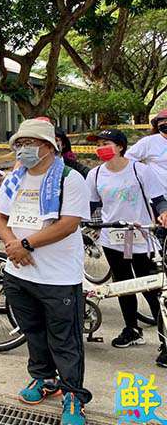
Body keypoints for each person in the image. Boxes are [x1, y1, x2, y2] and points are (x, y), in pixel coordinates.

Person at [0, 118, 92, 424]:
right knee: (33, 332)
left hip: (58, 277)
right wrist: (12, 245)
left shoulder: (69, 178)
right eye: (19, 144)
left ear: (49, 147)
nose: (22, 150)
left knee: (65, 338)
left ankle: (73, 394)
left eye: (29, 144)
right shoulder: (14, 177)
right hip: (19, 273)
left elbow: (69, 223)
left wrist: (26, 244)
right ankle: (44, 379)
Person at [85, 129, 167, 367]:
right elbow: (90, 205)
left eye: (106, 143)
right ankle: (131, 329)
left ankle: (165, 339)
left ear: (120, 146)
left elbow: (158, 199)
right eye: (98, 143)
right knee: (123, 286)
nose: (101, 147)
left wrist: (163, 213)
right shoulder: (95, 174)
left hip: (141, 237)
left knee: (150, 286)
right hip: (113, 238)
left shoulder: (139, 170)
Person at [125, 109, 167, 190]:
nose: (165, 123)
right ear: (157, 125)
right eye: (162, 121)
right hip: (159, 195)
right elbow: (128, 158)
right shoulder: (149, 142)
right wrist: (143, 173)